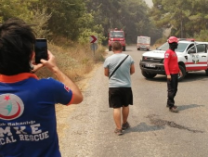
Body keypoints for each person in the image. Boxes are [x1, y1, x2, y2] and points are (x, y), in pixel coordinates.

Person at [0, 18, 83, 157]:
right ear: (32, 55)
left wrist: (27, 73)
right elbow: (77, 96)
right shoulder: (48, 88)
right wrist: (55, 69)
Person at [103, 41, 135, 136]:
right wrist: (124, 75)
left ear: (112, 49)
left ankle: (118, 128)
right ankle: (124, 123)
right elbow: (132, 71)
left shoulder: (108, 59)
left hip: (114, 87)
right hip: (126, 86)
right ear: (121, 48)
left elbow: (105, 74)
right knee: (125, 105)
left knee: (116, 107)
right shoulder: (129, 58)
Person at [164, 36, 182, 113]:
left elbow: (175, 63)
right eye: (176, 43)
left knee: (175, 89)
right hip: (171, 74)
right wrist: (168, 74)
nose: (177, 45)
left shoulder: (174, 52)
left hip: (175, 73)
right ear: (173, 44)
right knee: (171, 90)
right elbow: (165, 64)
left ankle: (169, 102)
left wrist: (179, 70)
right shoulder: (168, 52)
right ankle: (171, 105)